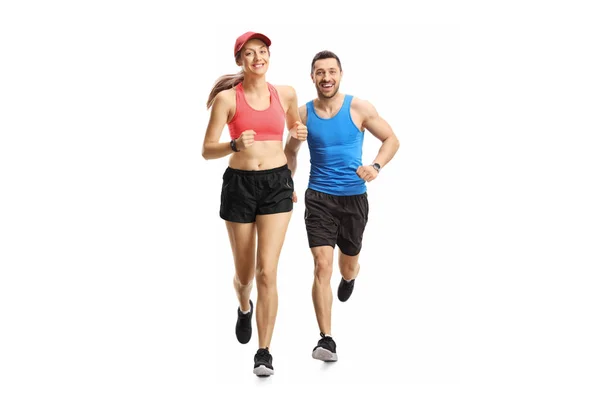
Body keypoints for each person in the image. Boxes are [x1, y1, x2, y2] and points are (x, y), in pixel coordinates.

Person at [202, 32, 308, 376]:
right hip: (240, 186)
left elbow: (294, 129)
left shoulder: (286, 93)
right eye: (249, 53)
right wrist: (233, 144)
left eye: (262, 51)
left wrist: (297, 133)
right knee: (245, 274)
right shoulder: (227, 100)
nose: (257, 57)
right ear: (239, 61)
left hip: (277, 184)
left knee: (267, 271)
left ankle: (264, 351)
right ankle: (243, 306)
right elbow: (206, 150)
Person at [284, 50, 400, 362]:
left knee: (346, 265)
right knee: (322, 265)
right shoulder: (303, 115)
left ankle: (350, 277)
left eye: (331, 71)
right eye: (320, 72)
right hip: (319, 197)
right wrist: (287, 181)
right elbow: (290, 153)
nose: (326, 78)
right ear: (312, 77)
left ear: (340, 74)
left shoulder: (359, 107)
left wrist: (375, 166)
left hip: (353, 198)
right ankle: (326, 339)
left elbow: (391, 139)